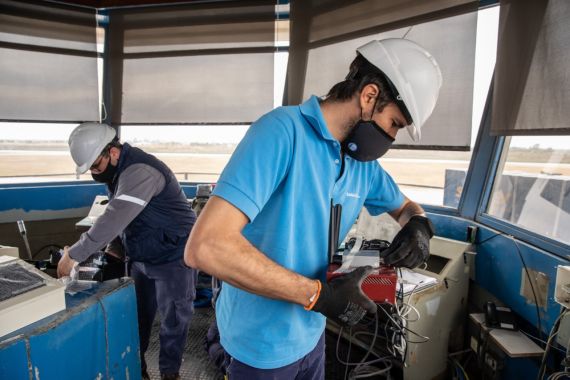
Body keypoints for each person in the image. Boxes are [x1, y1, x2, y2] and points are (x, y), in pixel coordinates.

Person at [185, 38, 442, 379]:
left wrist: (418, 224)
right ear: (369, 97)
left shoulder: (361, 164)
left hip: (311, 334)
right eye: (394, 123)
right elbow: (206, 247)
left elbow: (407, 207)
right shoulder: (281, 132)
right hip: (261, 345)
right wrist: (318, 296)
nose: (391, 138)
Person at [57, 122, 197, 380]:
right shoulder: (117, 173)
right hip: (141, 256)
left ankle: (169, 373)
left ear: (112, 152)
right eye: (90, 170)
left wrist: (73, 254)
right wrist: (115, 247)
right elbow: (128, 218)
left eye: (96, 166)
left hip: (173, 256)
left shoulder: (141, 171)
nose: (95, 173)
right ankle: (136, 368)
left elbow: (113, 218)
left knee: (174, 320)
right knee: (137, 318)